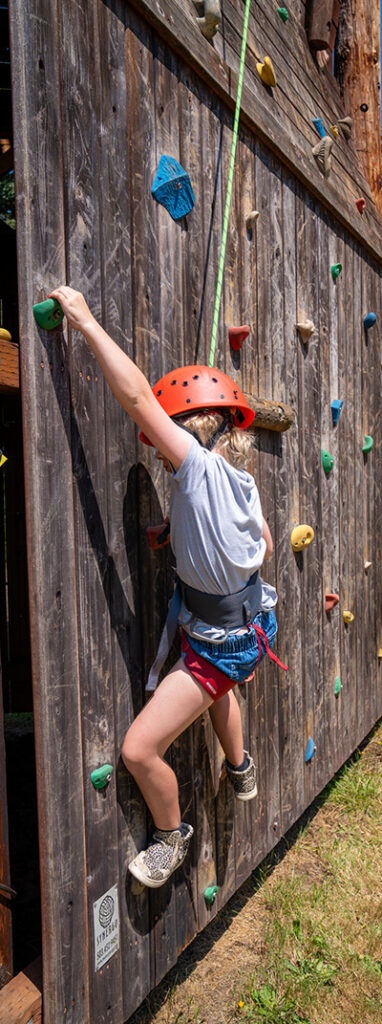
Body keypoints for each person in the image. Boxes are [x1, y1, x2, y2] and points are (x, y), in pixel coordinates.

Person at [49, 286, 287, 889]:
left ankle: (170, 835)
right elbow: (257, 542)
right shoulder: (239, 480)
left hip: (216, 644)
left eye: (167, 434)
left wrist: (84, 320)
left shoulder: (197, 465)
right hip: (254, 625)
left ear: (188, 428)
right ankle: (241, 766)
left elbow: (132, 394)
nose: (157, 448)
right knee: (219, 690)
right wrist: (178, 538)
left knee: (137, 750)